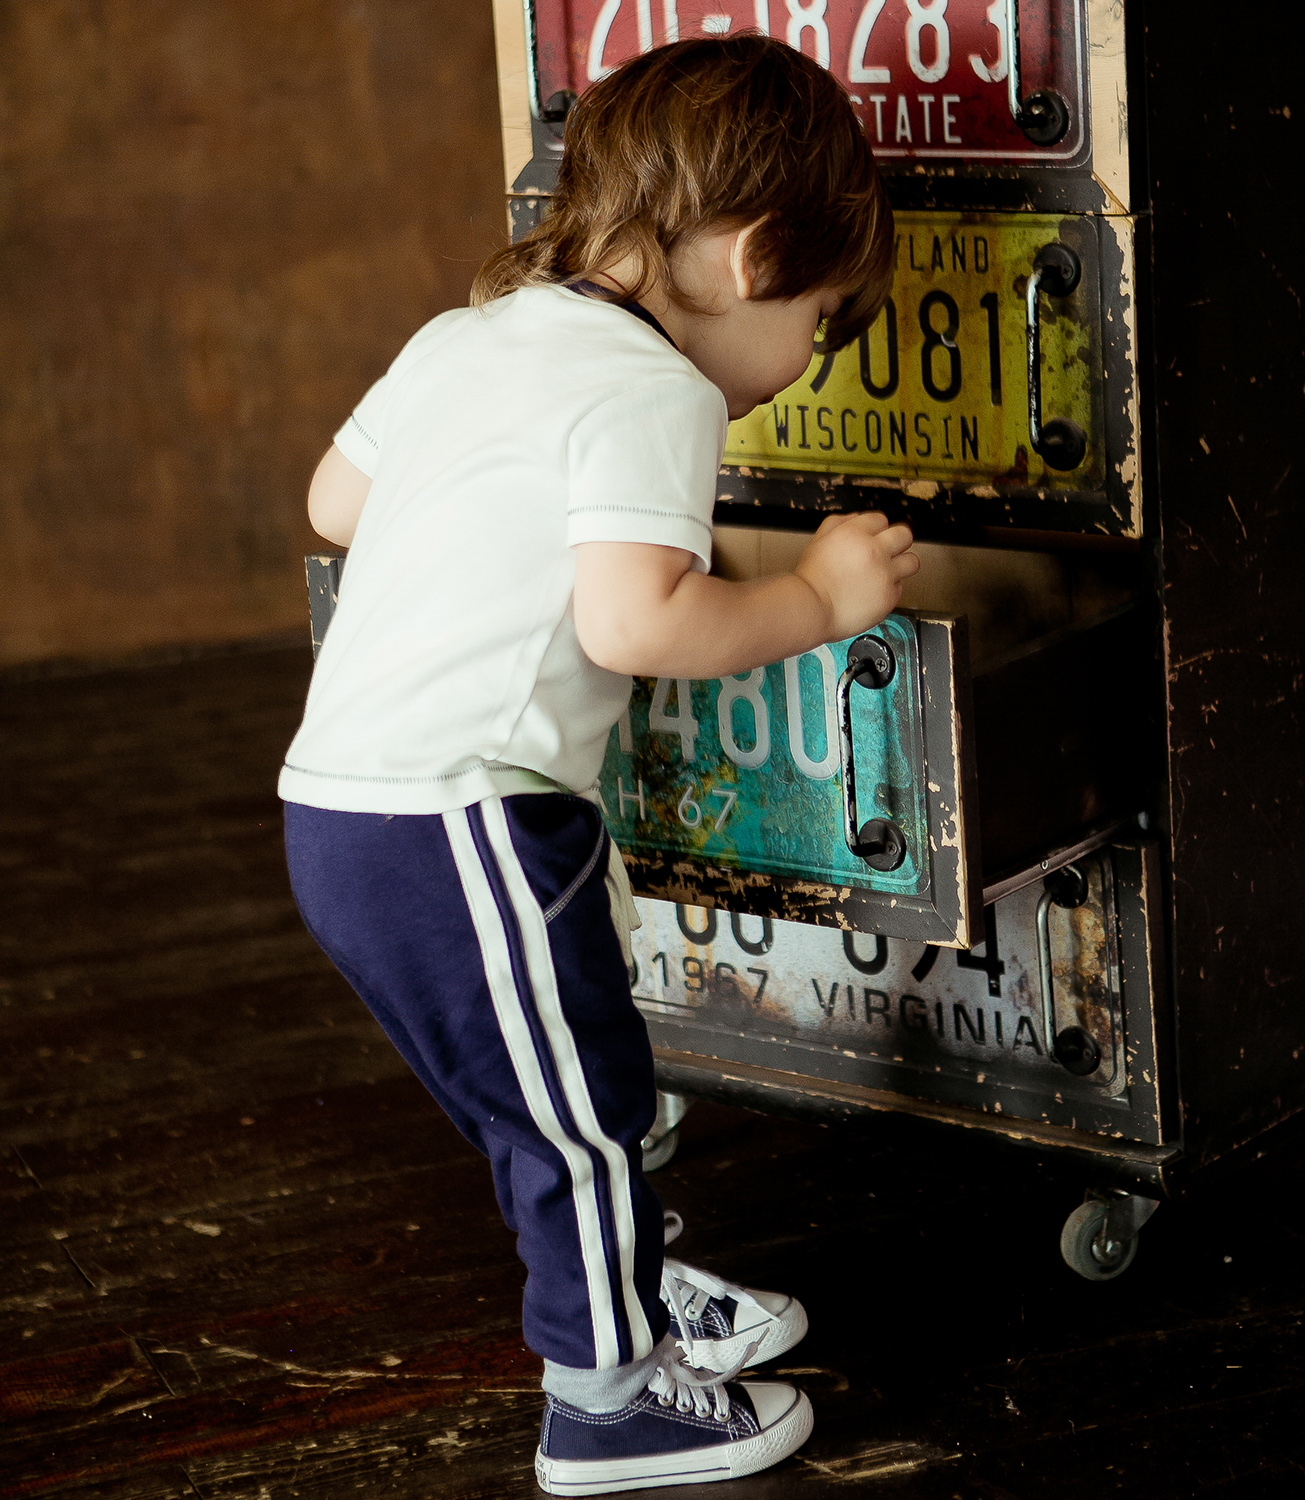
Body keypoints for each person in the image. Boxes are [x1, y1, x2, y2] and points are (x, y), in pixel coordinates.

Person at [280, 33, 915, 1495]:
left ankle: (626, 1287)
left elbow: (331, 505)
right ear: (755, 260)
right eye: (820, 322)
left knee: (547, 1099)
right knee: (586, 1112)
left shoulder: (467, 337)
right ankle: (608, 1399)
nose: (800, 363)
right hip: (469, 815)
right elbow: (637, 620)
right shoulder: (655, 390)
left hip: (339, 814)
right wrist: (818, 600)